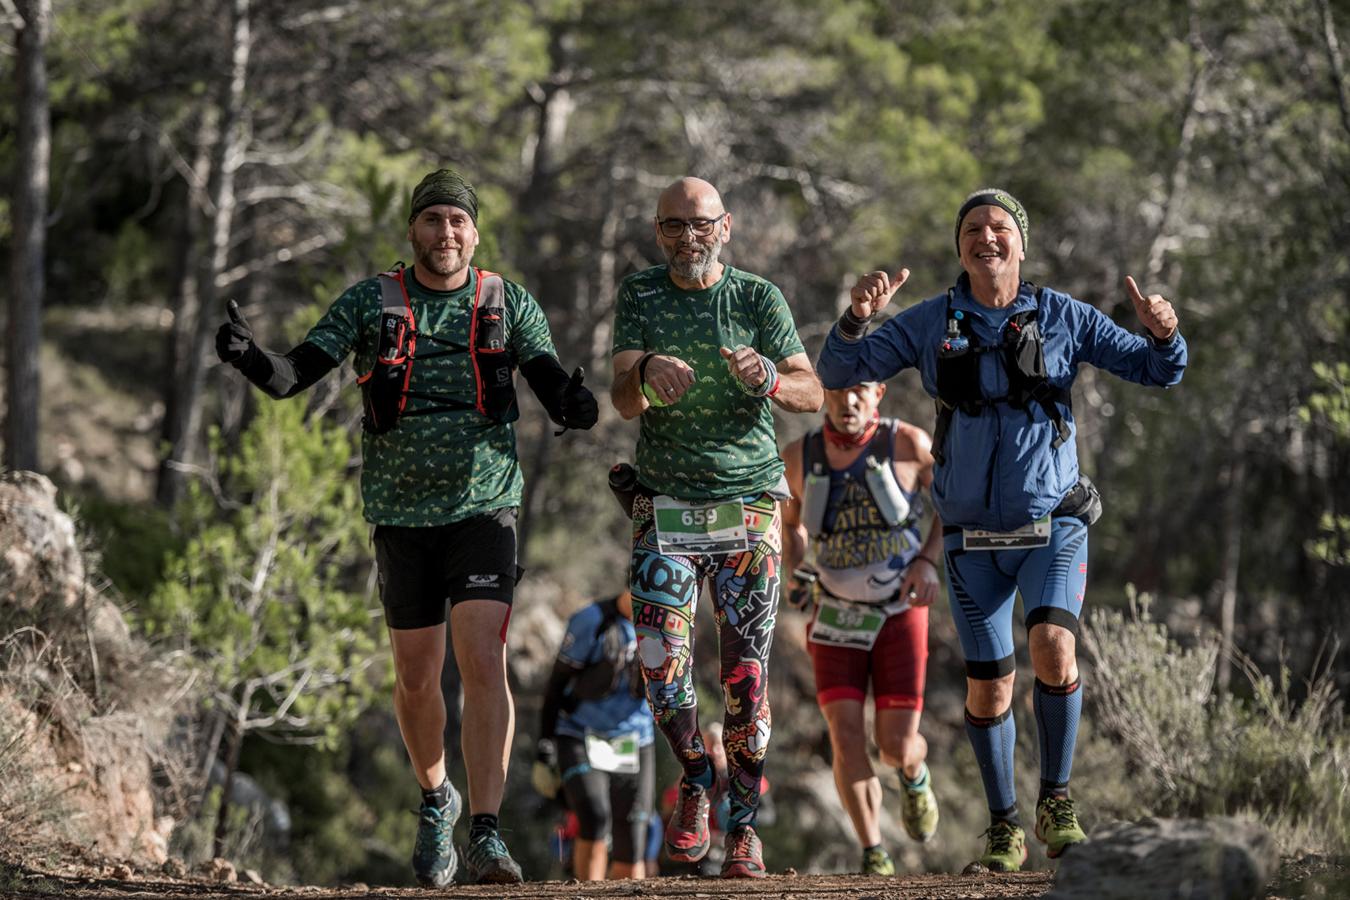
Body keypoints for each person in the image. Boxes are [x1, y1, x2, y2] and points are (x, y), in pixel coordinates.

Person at [214, 167, 598, 887]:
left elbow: (551, 384)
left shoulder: (508, 303)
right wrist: (249, 359)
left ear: (475, 233)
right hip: (400, 514)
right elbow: (293, 373)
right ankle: (435, 799)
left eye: (458, 221)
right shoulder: (372, 303)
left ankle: (485, 832)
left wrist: (575, 406)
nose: (445, 234)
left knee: (483, 658)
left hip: (485, 507)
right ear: (413, 230)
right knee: (418, 680)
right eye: (432, 221)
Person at [816, 189, 1186, 872]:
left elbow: (1158, 371)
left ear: (1022, 242)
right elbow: (838, 372)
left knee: (1052, 648)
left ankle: (1058, 802)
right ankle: (1003, 828)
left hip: (1053, 525)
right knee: (989, 689)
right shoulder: (931, 321)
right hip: (969, 541)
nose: (986, 237)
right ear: (960, 245)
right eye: (973, 229)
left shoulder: (1065, 317)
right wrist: (856, 318)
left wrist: (1164, 331)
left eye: (999, 227)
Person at [609, 176, 823, 878]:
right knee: (659, 668)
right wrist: (644, 367)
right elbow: (622, 401)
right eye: (673, 225)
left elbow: (810, 391)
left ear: (725, 227)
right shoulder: (640, 294)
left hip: (748, 505)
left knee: (746, 676)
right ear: (657, 228)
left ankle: (743, 826)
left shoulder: (758, 298)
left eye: (700, 224)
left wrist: (767, 377)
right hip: (664, 506)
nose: (687, 237)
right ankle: (696, 775)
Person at [780, 380, 943, 875]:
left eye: (859, 392)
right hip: (833, 615)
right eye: (836, 391)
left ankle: (914, 774)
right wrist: (797, 568)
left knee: (894, 745)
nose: (847, 402)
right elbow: (791, 525)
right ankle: (874, 851)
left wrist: (928, 561)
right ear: (823, 394)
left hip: (898, 612)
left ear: (879, 393)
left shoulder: (908, 443)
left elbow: (952, 505)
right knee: (844, 734)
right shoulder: (798, 455)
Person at [532, 591, 655, 880]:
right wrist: (544, 749)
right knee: (594, 818)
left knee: (633, 837)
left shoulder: (666, 624)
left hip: (636, 738)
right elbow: (556, 684)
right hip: (580, 733)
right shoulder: (591, 620)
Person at [657, 723, 776, 877]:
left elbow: (769, 814)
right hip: (704, 854)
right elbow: (666, 810)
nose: (715, 751)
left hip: (739, 847)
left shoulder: (746, 777)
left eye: (718, 745)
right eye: (709, 746)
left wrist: (738, 821)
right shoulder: (694, 778)